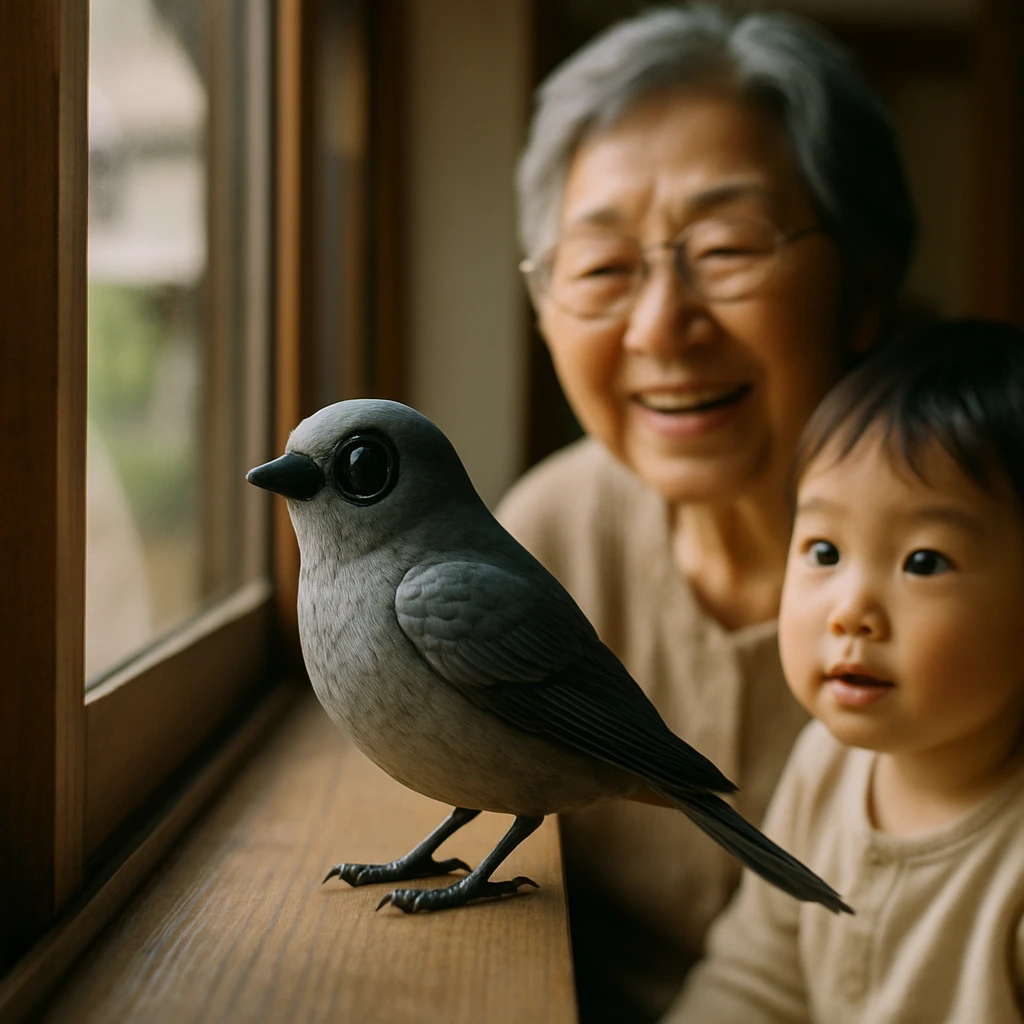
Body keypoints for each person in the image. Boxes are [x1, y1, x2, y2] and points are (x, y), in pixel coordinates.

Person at [496, 4, 916, 1020]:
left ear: (864, 284)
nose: (659, 326)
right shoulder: (547, 537)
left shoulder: (981, 559)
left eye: (726, 249)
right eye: (602, 268)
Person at [669, 319, 1024, 1023]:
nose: (851, 611)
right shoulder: (825, 764)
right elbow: (754, 981)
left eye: (924, 561)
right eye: (825, 551)